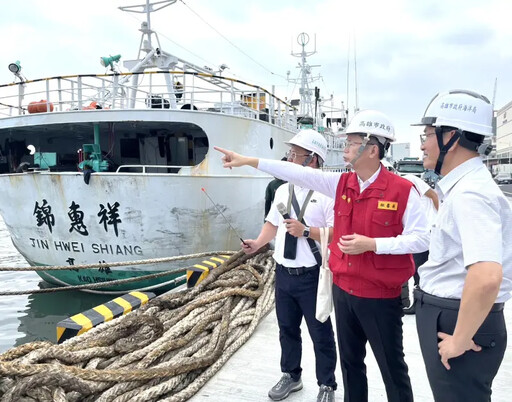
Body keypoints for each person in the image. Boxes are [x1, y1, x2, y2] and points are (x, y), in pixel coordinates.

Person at [215, 110, 430, 402]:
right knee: (351, 366)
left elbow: (421, 239)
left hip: (380, 296)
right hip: (344, 292)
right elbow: (299, 173)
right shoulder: (341, 185)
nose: (345, 148)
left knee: (392, 368)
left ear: (372, 149)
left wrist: (374, 244)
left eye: (352, 142)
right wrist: (248, 160)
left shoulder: (404, 190)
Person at [412, 89, 512, 401]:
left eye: (428, 134)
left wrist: (459, 338)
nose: (423, 144)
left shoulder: (470, 194)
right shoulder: (465, 188)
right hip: (456, 317)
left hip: (459, 321)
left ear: (451, 138)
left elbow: (486, 277)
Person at [240, 129, 337, 402]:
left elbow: (336, 232)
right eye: (291, 153)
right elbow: (272, 224)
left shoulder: (328, 194)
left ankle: (327, 384)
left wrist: (307, 231)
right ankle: (291, 375)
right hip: (283, 273)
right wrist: (258, 243)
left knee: (321, 333)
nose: (289, 158)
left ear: (313, 160)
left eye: (296, 154)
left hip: (312, 275)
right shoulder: (283, 189)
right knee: (287, 329)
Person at [400, 174, 439, 314]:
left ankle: (421, 303)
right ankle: (408, 301)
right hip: (410, 234)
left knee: (419, 268)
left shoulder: (410, 179)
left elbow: (434, 195)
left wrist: (440, 220)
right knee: (409, 268)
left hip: (425, 232)